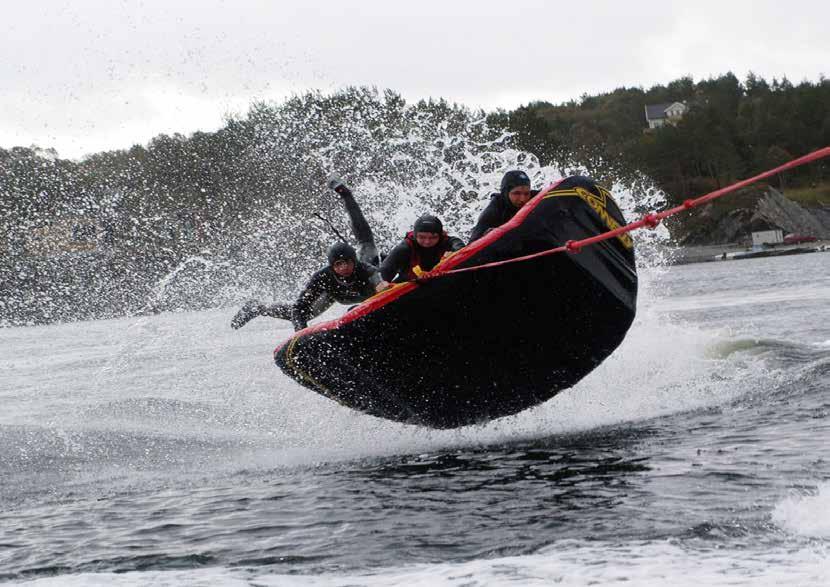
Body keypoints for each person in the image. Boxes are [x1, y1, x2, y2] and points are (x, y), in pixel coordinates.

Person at [231, 177, 384, 331]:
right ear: (331, 267)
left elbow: (360, 227)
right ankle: (259, 308)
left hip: (371, 290)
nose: (344, 268)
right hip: (336, 294)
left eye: (347, 263)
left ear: (355, 262)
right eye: (338, 264)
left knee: (366, 241)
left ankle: (346, 194)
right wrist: (301, 335)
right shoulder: (323, 277)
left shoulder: (368, 267)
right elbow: (298, 308)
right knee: (305, 312)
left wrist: (346, 196)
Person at [380, 214, 465, 283]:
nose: (427, 241)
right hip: (410, 284)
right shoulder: (405, 247)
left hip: (441, 282)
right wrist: (383, 283)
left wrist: (455, 253)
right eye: (422, 237)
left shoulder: (448, 241)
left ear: (440, 235)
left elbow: (460, 246)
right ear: (415, 235)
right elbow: (385, 269)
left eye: (433, 237)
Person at [468, 170, 539, 242]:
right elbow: (471, 244)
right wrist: (487, 236)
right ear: (506, 193)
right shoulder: (493, 211)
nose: (523, 199)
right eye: (516, 193)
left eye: (526, 194)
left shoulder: (537, 198)